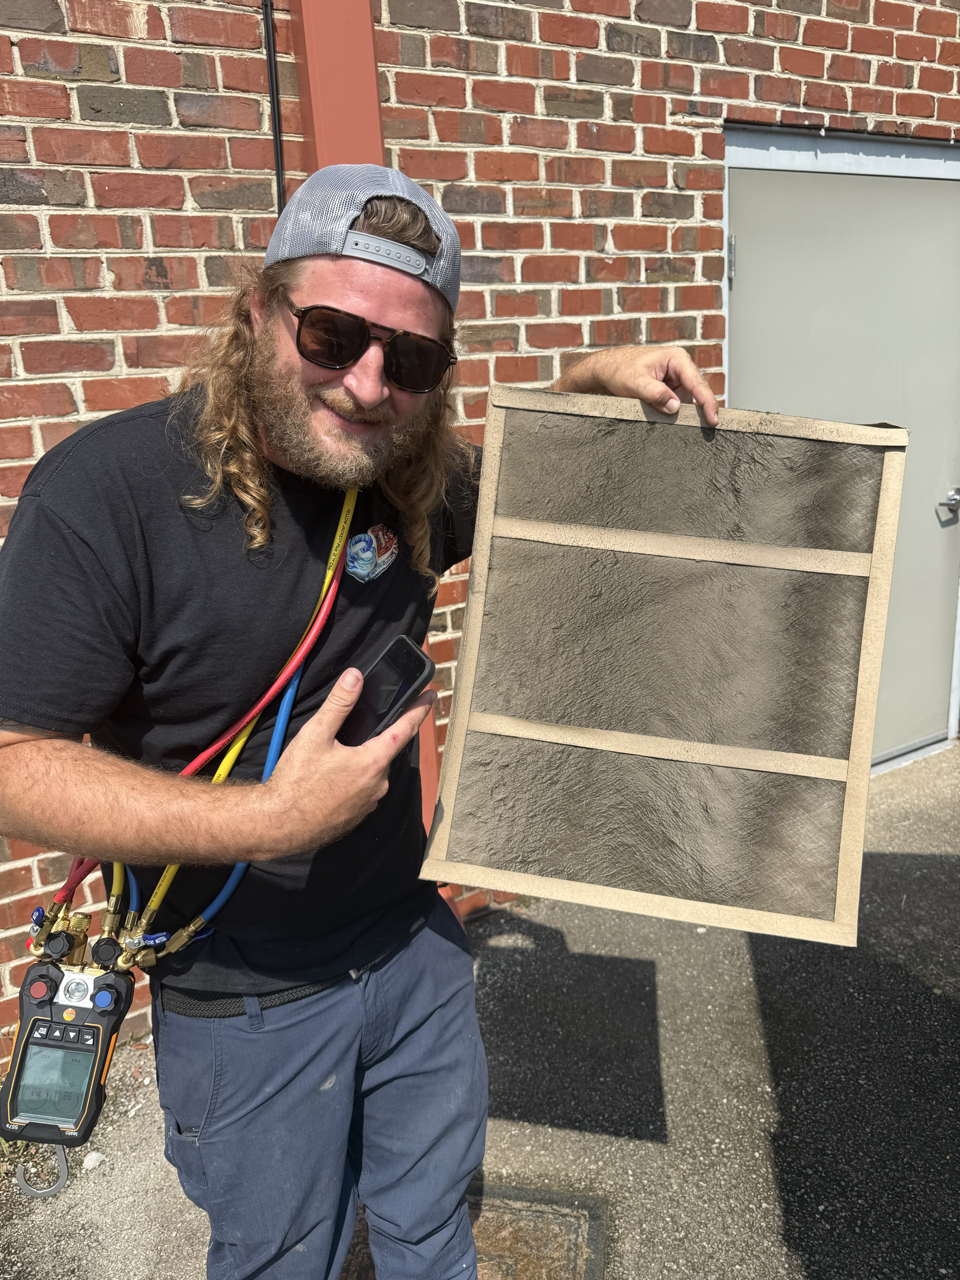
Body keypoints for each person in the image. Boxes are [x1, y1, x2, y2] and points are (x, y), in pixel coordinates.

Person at [0, 165, 718, 1278]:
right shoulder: (108, 492)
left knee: (432, 1229)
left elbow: (527, 480)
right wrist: (267, 820)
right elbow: (13, 763)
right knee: (287, 1256)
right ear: (259, 311)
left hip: (412, 947)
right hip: (243, 997)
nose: (369, 383)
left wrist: (592, 378)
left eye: (412, 359)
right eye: (332, 335)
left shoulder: (409, 477)